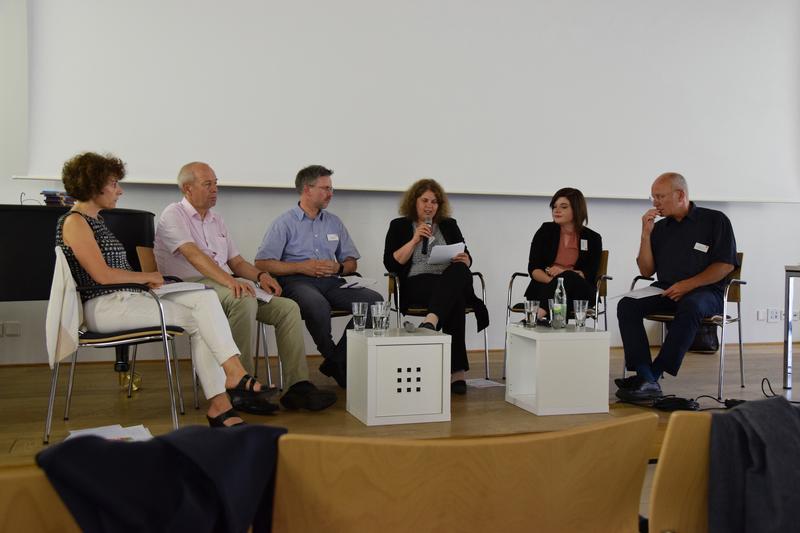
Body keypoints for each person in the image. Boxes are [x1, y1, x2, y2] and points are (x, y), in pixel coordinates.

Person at [56, 152, 275, 427]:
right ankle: (227, 389)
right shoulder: (75, 222)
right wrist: (146, 276)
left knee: (204, 298)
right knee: (200, 315)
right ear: (93, 184)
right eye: (114, 183)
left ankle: (228, 388)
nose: (119, 190)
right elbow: (101, 276)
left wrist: (146, 280)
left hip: (125, 300)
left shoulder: (96, 221)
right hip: (104, 306)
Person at [154, 162, 336, 411]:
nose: (215, 189)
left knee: (288, 308)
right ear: (187, 188)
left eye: (216, 183)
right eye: (208, 184)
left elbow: (237, 262)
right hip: (188, 286)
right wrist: (230, 281)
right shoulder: (173, 214)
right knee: (242, 298)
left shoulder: (216, 220)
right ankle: (242, 387)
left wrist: (261, 276)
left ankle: (297, 387)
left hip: (220, 284)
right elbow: (194, 255)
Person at [254, 165, 382, 388]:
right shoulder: (284, 223)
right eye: (325, 188)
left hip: (332, 281)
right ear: (307, 189)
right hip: (297, 282)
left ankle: (336, 361)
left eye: (331, 188)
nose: (330, 193)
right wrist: (301, 267)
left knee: (374, 302)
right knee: (317, 305)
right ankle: (332, 356)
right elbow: (262, 263)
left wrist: (338, 268)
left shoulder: (334, 222)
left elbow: (352, 262)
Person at [616, 172, 738, 400]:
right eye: (653, 197)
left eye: (660, 196)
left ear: (680, 195)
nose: (655, 203)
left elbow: (724, 265)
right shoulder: (661, 228)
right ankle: (643, 372)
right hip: (666, 288)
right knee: (627, 305)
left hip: (706, 291)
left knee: (691, 305)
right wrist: (645, 234)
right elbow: (646, 271)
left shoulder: (715, 220)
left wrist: (688, 285)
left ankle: (653, 374)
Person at [383, 179, 489, 395]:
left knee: (459, 272)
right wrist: (414, 240)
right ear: (414, 202)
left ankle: (430, 322)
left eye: (434, 202)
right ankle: (457, 372)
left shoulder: (449, 225)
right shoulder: (399, 225)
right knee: (455, 298)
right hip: (416, 283)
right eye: (424, 201)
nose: (429, 206)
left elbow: (467, 257)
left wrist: (465, 259)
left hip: (449, 278)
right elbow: (391, 263)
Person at [524, 187, 602, 320]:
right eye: (554, 206)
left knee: (569, 276)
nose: (556, 210)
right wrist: (558, 285)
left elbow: (590, 273)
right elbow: (534, 269)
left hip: (578, 293)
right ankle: (545, 318)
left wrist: (563, 274)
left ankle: (533, 317)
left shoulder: (592, 238)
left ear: (577, 209)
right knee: (566, 280)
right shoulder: (545, 231)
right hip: (545, 287)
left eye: (564, 207)